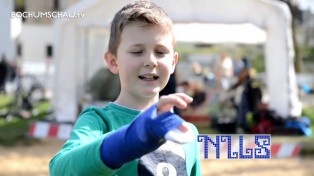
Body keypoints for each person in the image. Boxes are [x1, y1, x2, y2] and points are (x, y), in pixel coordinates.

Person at [49, 1, 201, 176]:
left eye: (160, 52)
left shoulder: (187, 133)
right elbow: (59, 170)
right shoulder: (99, 122)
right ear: (113, 62)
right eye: (137, 51)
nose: (151, 61)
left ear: (173, 62)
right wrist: (131, 139)